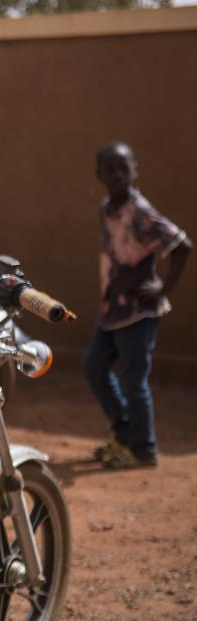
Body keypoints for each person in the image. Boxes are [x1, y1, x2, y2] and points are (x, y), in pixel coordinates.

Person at [84, 140, 190, 469]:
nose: (117, 175)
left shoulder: (140, 213)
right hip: (111, 312)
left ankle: (143, 449)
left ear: (134, 171)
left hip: (138, 313)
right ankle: (126, 430)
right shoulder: (107, 209)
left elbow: (182, 245)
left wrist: (162, 287)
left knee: (134, 381)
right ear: (98, 174)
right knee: (94, 368)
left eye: (123, 168)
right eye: (109, 169)